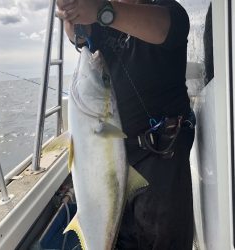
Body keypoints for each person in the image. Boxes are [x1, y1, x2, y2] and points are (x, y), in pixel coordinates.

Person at [57, 0, 195, 249]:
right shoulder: (104, 25)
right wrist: (74, 17)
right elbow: (83, 36)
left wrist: (100, 10)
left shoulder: (168, 13)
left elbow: (162, 28)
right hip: (113, 161)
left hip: (162, 162)